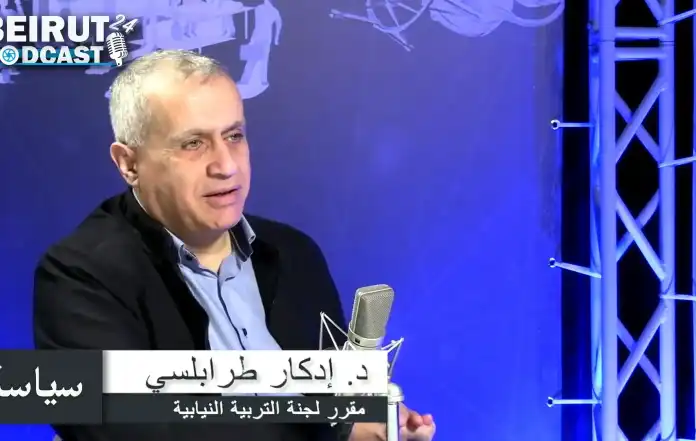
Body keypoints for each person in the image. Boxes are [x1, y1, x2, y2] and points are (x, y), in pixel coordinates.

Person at [33, 49, 436, 441]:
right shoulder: (80, 275)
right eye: (193, 143)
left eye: (234, 136)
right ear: (129, 163)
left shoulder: (295, 253)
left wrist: (376, 421)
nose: (226, 166)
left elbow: (335, 399)